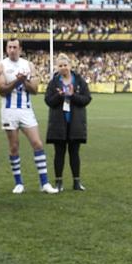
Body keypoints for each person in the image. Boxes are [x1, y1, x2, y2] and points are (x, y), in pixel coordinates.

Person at [0, 38, 59, 195]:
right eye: (9, 47)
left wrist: (24, 82)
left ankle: (44, 183)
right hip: (9, 110)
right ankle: (19, 183)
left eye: (15, 47)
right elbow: (2, 90)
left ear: (20, 49)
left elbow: (35, 90)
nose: (12, 50)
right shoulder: (1, 66)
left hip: (26, 110)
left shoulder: (28, 65)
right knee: (14, 146)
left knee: (37, 143)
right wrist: (18, 80)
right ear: (6, 49)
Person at [44, 54, 91, 191]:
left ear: (70, 66)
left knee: (74, 152)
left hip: (75, 122)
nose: (63, 68)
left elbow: (87, 99)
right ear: (57, 67)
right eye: (60, 65)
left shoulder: (79, 81)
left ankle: (76, 182)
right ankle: (59, 182)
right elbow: (48, 101)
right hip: (59, 123)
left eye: (65, 65)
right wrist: (59, 95)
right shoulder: (53, 82)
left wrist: (73, 96)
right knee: (59, 153)